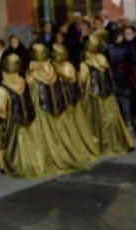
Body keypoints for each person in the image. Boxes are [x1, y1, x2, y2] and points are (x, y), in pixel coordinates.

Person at [26, 43, 92, 173]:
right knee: (62, 135)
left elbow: (30, 92)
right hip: (60, 109)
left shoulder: (32, 73)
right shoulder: (55, 68)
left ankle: (49, 158)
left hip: (42, 111)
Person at [80, 34, 135, 156]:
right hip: (108, 94)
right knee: (112, 119)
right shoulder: (103, 59)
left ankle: (98, 145)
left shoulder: (85, 63)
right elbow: (109, 76)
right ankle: (116, 142)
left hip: (93, 96)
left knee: (94, 121)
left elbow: (82, 80)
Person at [0, 53, 47, 178]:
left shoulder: (4, 87)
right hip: (29, 118)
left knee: (5, 144)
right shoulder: (24, 81)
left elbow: (2, 109)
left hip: (14, 122)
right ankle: (34, 164)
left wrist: (0, 126)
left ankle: (11, 165)